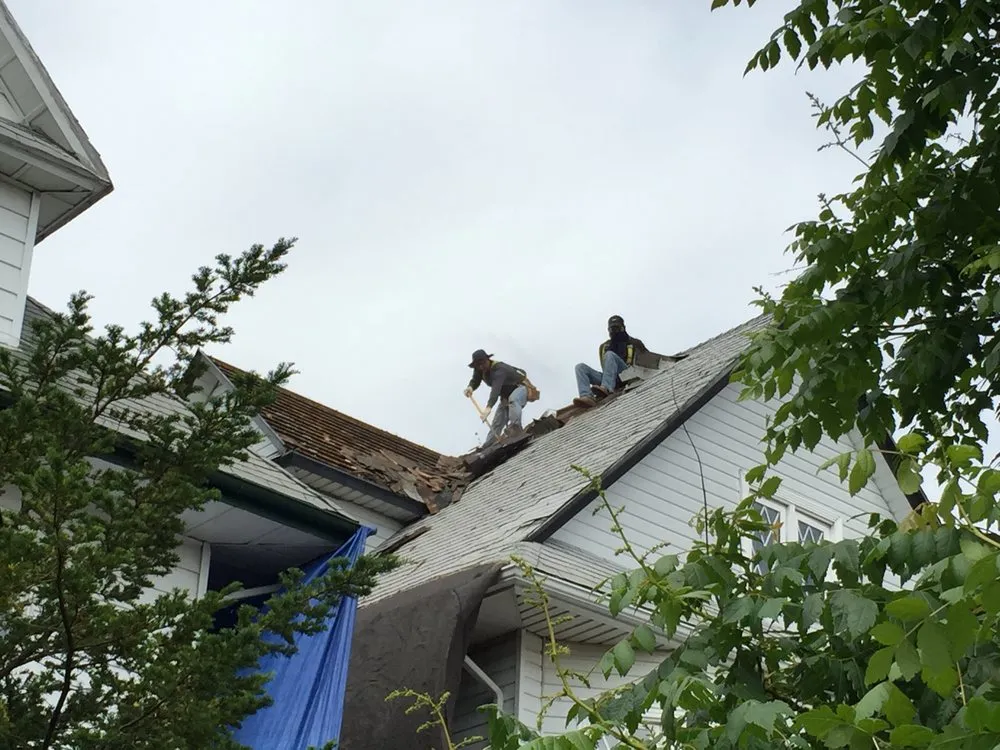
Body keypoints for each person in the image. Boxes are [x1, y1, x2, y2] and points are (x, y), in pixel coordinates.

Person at [573, 315, 647, 408]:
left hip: (627, 375)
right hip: (609, 378)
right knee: (580, 367)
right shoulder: (605, 346)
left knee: (610, 355)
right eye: (612, 329)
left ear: (623, 328)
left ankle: (606, 388)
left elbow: (647, 360)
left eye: (617, 328)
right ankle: (587, 396)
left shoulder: (635, 343)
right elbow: (605, 366)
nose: (614, 332)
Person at [464, 349, 529, 448]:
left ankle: (516, 428)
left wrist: (488, 408)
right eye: (478, 365)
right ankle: (488, 445)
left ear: (488, 360)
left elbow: (496, 390)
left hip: (521, 389)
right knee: (497, 422)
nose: (481, 367)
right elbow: (475, 380)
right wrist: (470, 387)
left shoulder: (499, 370)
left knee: (513, 400)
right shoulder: (479, 369)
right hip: (505, 395)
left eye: (483, 363)